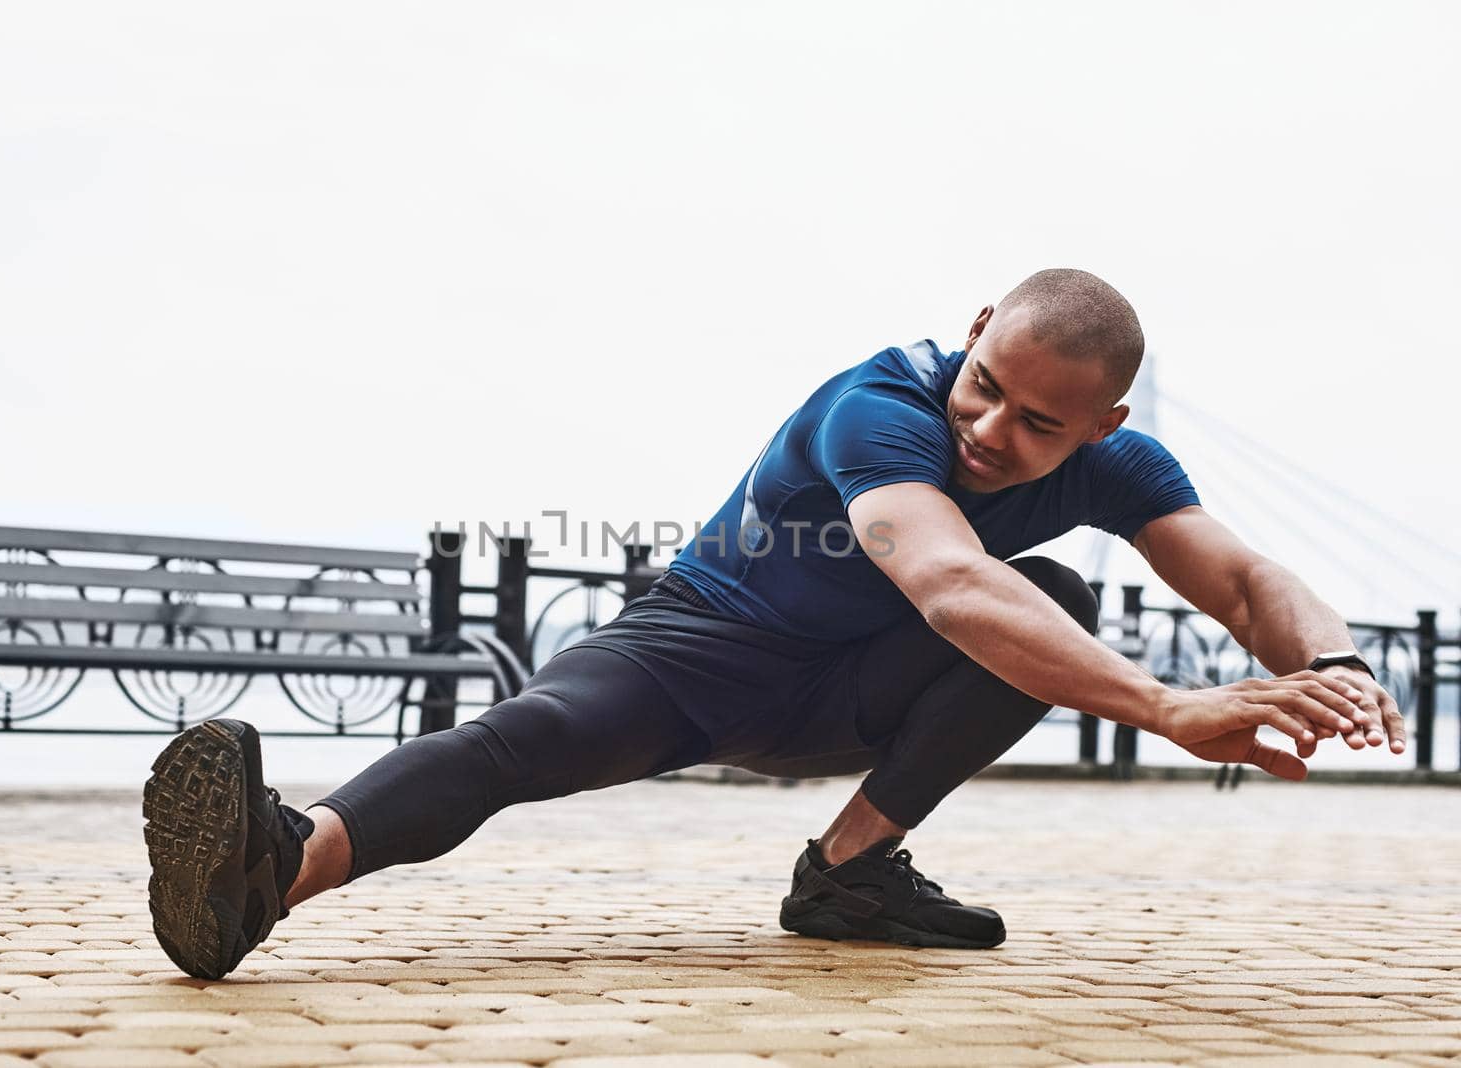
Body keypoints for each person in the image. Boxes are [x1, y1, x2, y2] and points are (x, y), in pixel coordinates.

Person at [142, 268, 1405, 981]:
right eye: (985, 388)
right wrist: (1174, 707)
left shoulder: (1121, 469)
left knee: (1059, 597)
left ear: (1103, 430)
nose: (989, 431)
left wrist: (1334, 666)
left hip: (841, 694)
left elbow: (1242, 584)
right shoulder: (877, 409)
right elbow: (952, 584)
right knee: (512, 743)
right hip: (695, 649)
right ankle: (266, 870)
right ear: (969, 335)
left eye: (1037, 426)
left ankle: (849, 874)